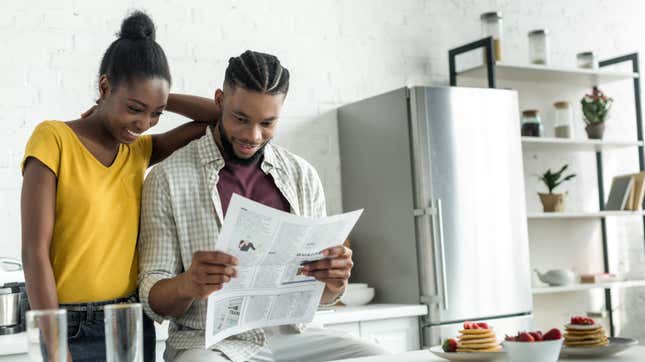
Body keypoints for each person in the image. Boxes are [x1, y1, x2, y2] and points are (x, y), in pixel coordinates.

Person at [138, 50, 388, 362]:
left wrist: (335, 283)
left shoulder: (301, 175)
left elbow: (321, 297)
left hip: (296, 338)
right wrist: (187, 284)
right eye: (240, 119)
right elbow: (152, 296)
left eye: (267, 123)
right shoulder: (167, 178)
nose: (252, 135)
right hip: (211, 344)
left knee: (379, 356)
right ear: (219, 102)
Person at [20, 11, 220, 362]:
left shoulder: (139, 151)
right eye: (134, 108)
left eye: (155, 114)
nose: (143, 124)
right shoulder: (53, 138)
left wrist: (160, 96)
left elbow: (220, 119)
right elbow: (34, 251)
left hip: (130, 320)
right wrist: (53, 347)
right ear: (104, 86)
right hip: (66, 325)